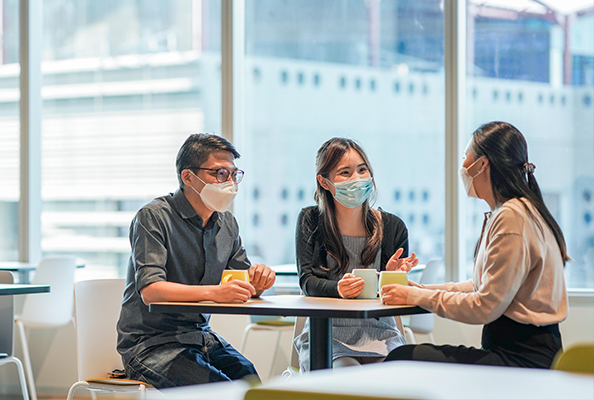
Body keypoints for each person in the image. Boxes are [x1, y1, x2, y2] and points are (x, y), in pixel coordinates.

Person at [382, 121, 569, 369]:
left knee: (401, 357)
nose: (462, 166)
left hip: (520, 359)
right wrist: (421, 290)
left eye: (465, 156)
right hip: (523, 353)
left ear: (482, 165)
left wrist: (417, 295)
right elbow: (483, 286)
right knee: (405, 355)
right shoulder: (518, 210)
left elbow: (485, 306)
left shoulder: (512, 216)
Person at [117, 133, 276, 388]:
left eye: (234, 175)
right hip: (149, 345)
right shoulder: (153, 217)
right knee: (223, 391)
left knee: (252, 384)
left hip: (201, 338)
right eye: (219, 173)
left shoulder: (226, 224)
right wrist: (217, 293)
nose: (230, 183)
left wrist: (258, 282)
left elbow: (241, 283)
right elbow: (151, 291)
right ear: (188, 177)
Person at [294, 137, 418, 372]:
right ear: (325, 182)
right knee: (347, 374)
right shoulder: (310, 221)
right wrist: (337, 289)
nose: (357, 179)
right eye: (345, 173)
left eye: (362, 170)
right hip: (327, 332)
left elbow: (392, 295)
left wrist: (391, 278)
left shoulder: (393, 226)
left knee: (391, 376)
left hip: (380, 332)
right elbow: (307, 281)